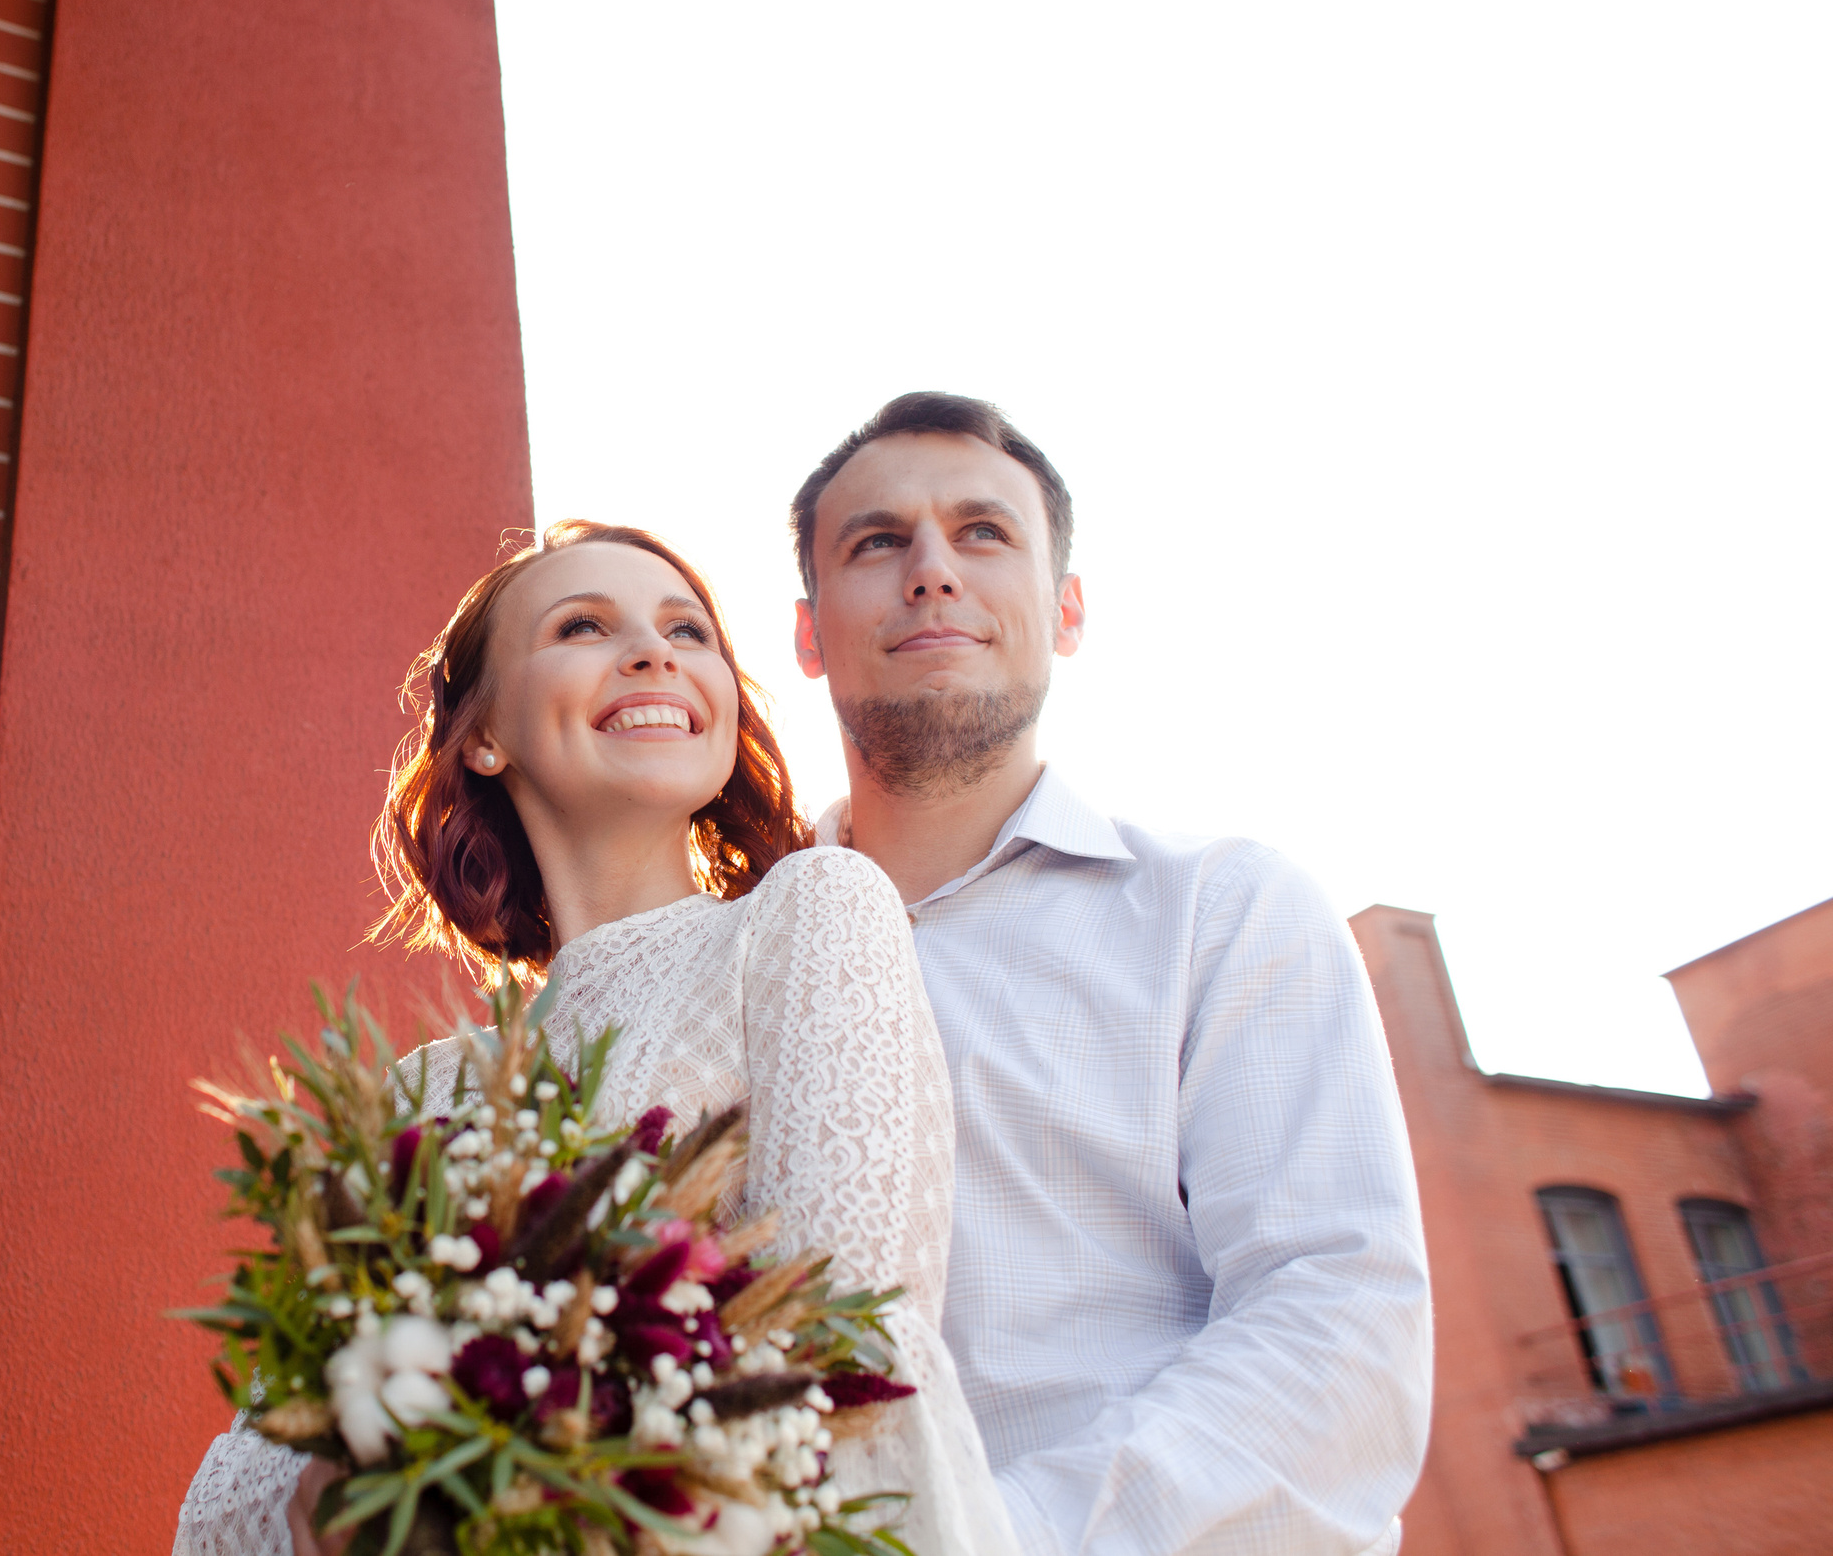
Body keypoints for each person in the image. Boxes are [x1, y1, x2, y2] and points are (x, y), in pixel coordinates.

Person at [175, 521, 1020, 1556]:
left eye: (687, 631)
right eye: (583, 625)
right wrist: (374, 1482)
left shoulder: (809, 911)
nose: (656, 652)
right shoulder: (413, 1093)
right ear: (483, 734)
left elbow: (842, 1344)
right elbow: (227, 1505)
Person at [787, 393, 1433, 1556]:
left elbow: (1335, 1324)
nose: (931, 571)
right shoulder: (732, 963)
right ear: (806, 632)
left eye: (982, 532)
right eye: (876, 543)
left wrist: (980, 1538)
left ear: (1066, 610)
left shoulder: (1222, 913)